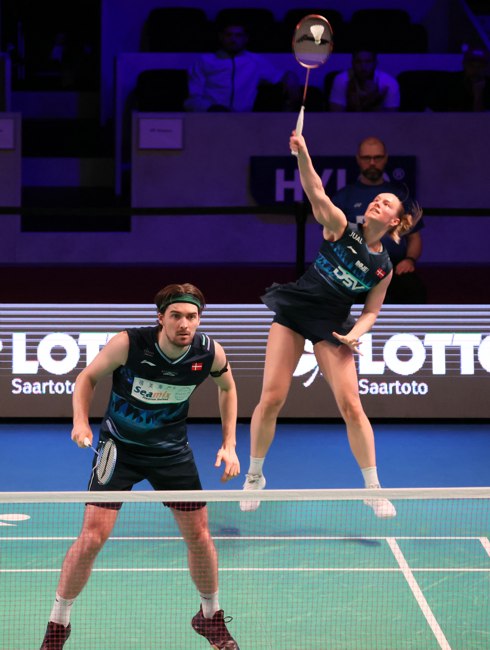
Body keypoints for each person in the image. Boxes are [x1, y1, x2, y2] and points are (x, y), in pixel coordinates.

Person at [40, 283, 240, 650]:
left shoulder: (208, 352)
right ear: (161, 317)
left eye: (192, 317)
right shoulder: (130, 344)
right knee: (91, 539)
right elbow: (87, 378)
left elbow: (227, 389)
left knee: (199, 536)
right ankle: (58, 623)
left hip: (171, 451)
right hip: (119, 448)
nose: (185, 324)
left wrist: (229, 444)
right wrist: (80, 421)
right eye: (176, 316)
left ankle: (209, 616)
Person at [240, 130, 422, 518]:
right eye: (376, 198)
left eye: (385, 202)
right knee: (272, 397)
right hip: (296, 309)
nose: (377, 201)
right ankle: (255, 475)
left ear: (396, 221)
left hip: (334, 321)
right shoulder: (340, 227)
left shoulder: (383, 267)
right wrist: (303, 154)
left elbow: (371, 311)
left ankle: (373, 489)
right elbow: (316, 192)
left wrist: (354, 335)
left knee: (351, 406)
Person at [332, 136, 427, 304]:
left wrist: (409, 260)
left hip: (395, 267)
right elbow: (333, 239)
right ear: (358, 159)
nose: (372, 163)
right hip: (356, 267)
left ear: (386, 158)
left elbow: (414, 238)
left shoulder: (401, 197)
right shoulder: (343, 198)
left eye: (377, 157)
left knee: (414, 289)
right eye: (367, 158)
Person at [184, 20, 298, 112]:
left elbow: (278, 76)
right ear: (221, 37)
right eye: (229, 35)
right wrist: (211, 109)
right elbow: (194, 96)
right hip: (208, 116)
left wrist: (291, 78)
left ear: (245, 38)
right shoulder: (204, 61)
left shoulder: (255, 61)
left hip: (243, 120)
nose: (233, 39)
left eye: (238, 35)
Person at [328, 49, 400, 112]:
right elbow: (336, 114)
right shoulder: (342, 80)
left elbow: (391, 117)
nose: (363, 66)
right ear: (352, 63)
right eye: (358, 62)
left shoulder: (388, 83)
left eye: (368, 62)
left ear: (375, 63)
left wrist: (375, 101)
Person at [434, 46, 490, 112]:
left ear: (487, 68)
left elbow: (482, 118)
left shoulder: (488, 85)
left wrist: (478, 95)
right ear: (464, 65)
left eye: (481, 66)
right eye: (471, 65)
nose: (476, 70)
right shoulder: (452, 83)